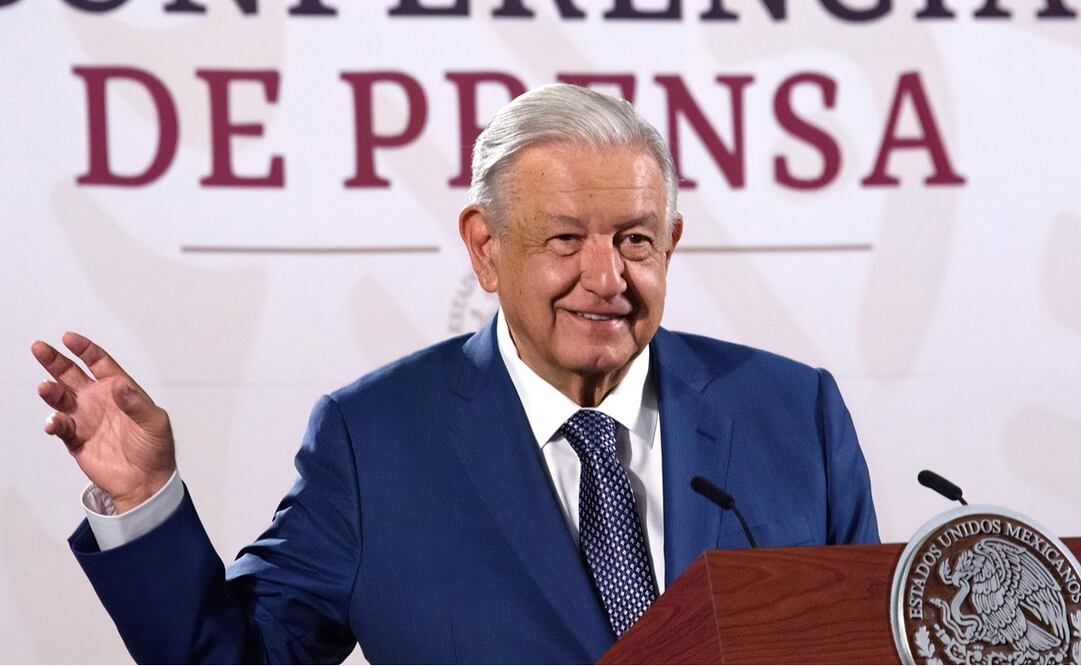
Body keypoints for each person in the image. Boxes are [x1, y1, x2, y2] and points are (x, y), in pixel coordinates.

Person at [31, 84, 879, 664]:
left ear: (670, 243)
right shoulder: (375, 441)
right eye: (563, 240)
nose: (606, 277)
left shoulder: (789, 411)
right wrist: (145, 503)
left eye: (634, 238)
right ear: (484, 246)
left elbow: (866, 644)